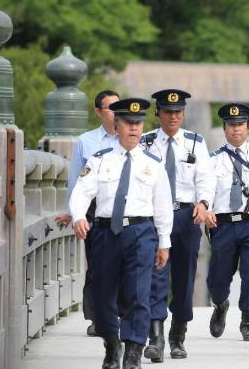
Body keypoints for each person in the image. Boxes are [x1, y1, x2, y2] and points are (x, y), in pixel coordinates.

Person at [69, 98, 173, 369]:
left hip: (141, 233)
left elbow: (162, 206)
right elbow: (81, 191)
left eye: (138, 123)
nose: (134, 129)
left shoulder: (153, 163)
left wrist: (164, 242)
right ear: (116, 125)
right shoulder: (100, 160)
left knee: (139, 293)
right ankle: (111, 345)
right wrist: (79, 216)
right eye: (128, 123)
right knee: (103, 294)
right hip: (105, 234)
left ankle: (133, 352)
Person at [142, 89, 216, 361]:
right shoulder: (146, 142)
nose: (173, 116)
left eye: (177, 112)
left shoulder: (195, 143)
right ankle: (156, 337)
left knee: (184, 278)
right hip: (154, 217)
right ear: (158, 113)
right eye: (167, 111)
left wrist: (204, 204)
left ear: (183, 114)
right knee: (155, 276)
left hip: (186, 217)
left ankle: (178, 335)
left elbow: (206, 178)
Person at [55, 90, 120, 336]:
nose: (116, 112)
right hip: (94, 208)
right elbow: (75, 181)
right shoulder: (87, 141)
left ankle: (120, 313)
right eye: (110, 107)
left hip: (125, 207)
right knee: (97, 265)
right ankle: (97, 318)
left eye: (118, 106)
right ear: (98, 112)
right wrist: (74, 213)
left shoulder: (134, 137)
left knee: (125, 264)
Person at [204, 103, 249, 341]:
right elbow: (206, 189)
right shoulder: (214, 160)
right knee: (218, 278)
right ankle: (220, 304)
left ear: (248, 127)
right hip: (223, 224)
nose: (236, 129)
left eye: (240, 125)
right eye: (231, 125)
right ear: (224, 128)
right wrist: (205, 208)